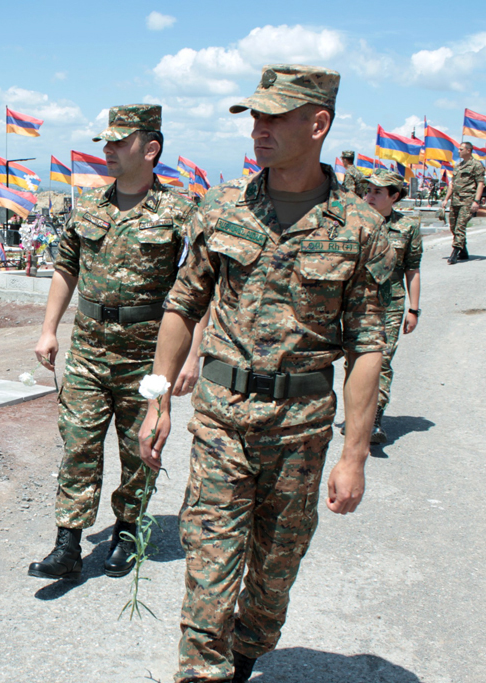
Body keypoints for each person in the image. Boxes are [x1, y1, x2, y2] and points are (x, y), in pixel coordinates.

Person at [137, 65, 394, 683]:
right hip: (222, 423)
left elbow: (367, 350)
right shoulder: (222, 209)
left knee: (273, 577)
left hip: (300, 433)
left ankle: (248, 653)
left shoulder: (360, 231)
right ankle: (205, 671)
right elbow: (182, 304)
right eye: (255, 116)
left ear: (318, 123)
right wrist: (157, 401)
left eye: (275, 116)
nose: (259, 128)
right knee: (209, 570)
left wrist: (353, 456)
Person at [28, 104, 196, 581]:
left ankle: (126, 529)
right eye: (106, 142)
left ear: (151, 149)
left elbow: (197, 287)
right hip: (88, 351)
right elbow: (67, 269)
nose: (108, 150)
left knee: (136, 448)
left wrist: (191, 356)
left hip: (146, 356)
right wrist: (49, 329)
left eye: (120, 142)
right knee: (78, 444)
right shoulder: (89, 209)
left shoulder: (179, 213)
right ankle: (67, 543)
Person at [362, 168, 422, 443]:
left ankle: (373, 419)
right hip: (357, 302)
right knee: (356, 360)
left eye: (378, 192)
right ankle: (358, 415)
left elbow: (412, 269)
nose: (370, 196)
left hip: (391, 303)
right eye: (368, 190)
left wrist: (413, 309)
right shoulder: (355, 222)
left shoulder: (408, 227)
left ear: (394, 196)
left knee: (382, 361)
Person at [442, 141, 483, 264]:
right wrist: (446, 199)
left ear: (468, 150)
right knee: (453, 226)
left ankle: (454, 253)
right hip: (455, 200)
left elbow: (480, 183)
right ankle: (463, 251)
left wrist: (476, 201)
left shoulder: (476, 165)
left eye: (461, 149)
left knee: (460, 226)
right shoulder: (458, 166)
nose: (459, 151)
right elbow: (452, 184)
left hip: (467, 200)